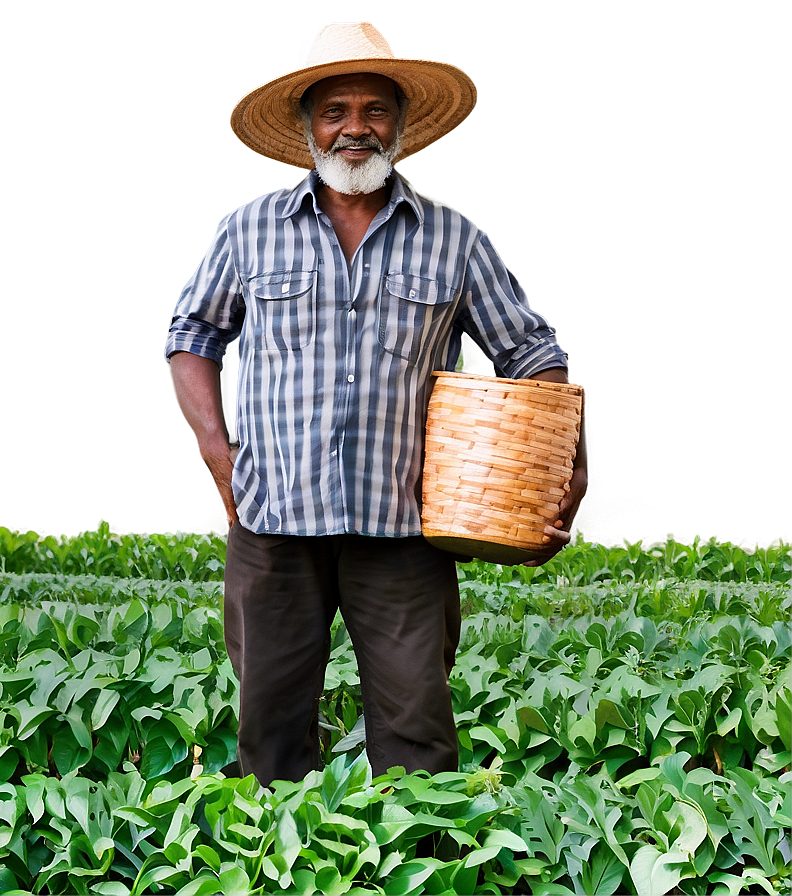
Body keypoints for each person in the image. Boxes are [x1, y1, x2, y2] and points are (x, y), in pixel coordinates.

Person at [166, 21, 587, 786]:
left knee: (417, 729)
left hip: (401, 529)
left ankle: (413, 861)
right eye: (334, 110)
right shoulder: (250, 230)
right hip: (274, 521)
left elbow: (533, 355)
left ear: (399, 125)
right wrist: (211, 445)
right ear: (307, 127)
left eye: (373, 109)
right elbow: (193, 332)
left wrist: (567, 464)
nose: (355, 127)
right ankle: (277, 861)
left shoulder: (455, 241)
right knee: (269, 728)